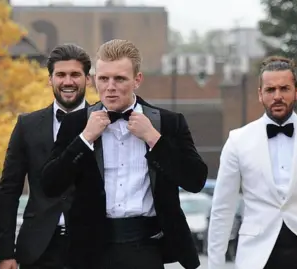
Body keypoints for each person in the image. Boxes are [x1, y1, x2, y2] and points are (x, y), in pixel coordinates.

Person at [40, 39, 208, 269]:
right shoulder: (76, 123)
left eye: (119, 79)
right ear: (94, 79)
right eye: (103, 78)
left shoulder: (168, 122)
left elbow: (196, 179)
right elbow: (49, 184)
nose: (110, 86)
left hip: (147, 244)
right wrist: (84, 139)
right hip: (91, 250)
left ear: (137, 80)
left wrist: (154, 139)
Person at [207, 56, 297, 269]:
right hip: (256, 256)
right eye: (270, 90)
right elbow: (222, 208)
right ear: (260, 95)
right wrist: (215, 265)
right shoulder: (238, 140)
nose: (277, 96)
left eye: (284, 88)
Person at [0, 44, 92, 269]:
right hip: (38, 249)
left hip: (92, 247)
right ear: (50, 79)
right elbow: (9, 190)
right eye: (61, 75)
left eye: (75, 74)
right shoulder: (27, 125)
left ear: (88, 79)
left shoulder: (105, 122)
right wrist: (5, 253)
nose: (68, 81)